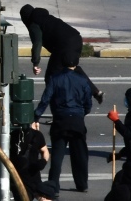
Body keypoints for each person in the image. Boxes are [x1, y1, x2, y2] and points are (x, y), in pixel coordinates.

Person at [20, 3, 104, 103]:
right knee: (72, 68)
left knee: (51, 76)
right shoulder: (46, 18)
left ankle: (59, 106)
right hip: (76, 39)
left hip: (64, 45)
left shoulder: (34, 24)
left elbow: (37, 43)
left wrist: (35, 63)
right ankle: (96, 92)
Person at [33, 51, 92, 193]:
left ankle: (54, 185)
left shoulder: (55, 79)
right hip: (77, 120)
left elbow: (46, 99)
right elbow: (88, 103)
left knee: (57, 156)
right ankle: (82, 184)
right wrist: (82, 113)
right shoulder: (82, 80)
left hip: (60, 120)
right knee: (80, 155)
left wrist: (36, 116)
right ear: (76, 63)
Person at [10, 122, 49, 200]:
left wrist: (44, 161)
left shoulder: (37, 135)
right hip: (17, 177)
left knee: (46, 197)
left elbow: (45, 151)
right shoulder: (11, 136)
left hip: (34, 176)